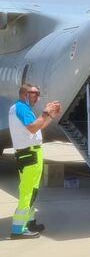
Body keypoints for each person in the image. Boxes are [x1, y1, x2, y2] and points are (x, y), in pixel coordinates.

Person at [8, 84, 61, 239]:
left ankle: (29, 222)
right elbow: (32, 128)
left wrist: (50, 116)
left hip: (31, 154)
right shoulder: (21, 108)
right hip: (29, 154)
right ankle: (18, 229)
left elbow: (38, 127)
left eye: (38, 94)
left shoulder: (21, 108)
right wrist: (45, 113)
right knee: (27, 192)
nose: (37, 97)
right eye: (34, 94)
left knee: (32, 190)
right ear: (25, 94)